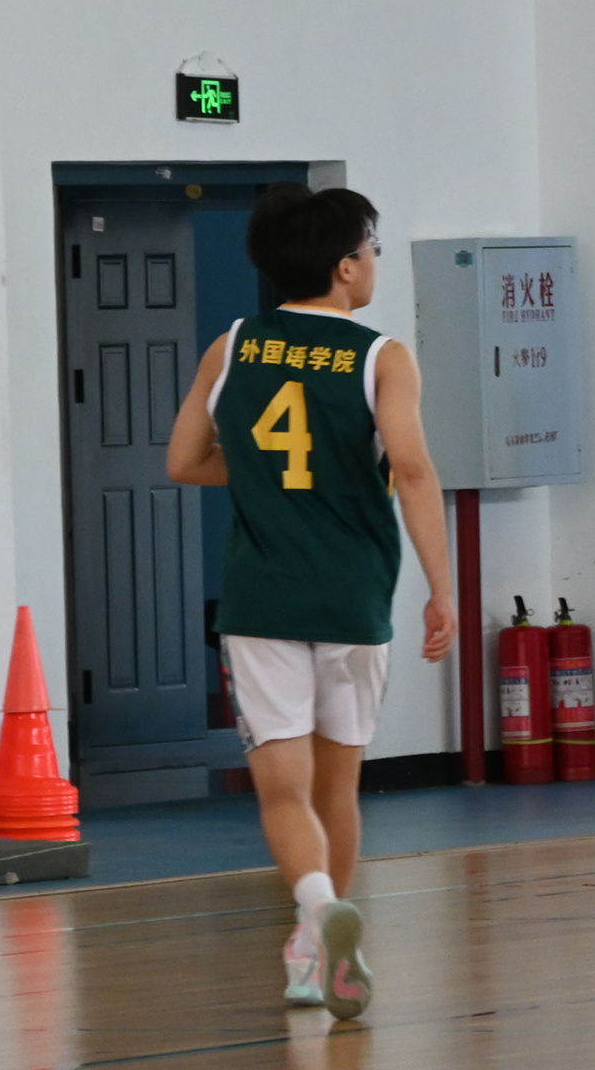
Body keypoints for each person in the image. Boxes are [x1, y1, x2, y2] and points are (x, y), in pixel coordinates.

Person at [166, 185, 454, 1021]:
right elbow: (412, 471)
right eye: (371, 249)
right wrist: (441, 588)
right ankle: (318, 945)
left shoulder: (231, 346)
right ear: (345, 267)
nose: (374, 262)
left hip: (261, 599)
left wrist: (261, 473)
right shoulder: (382, 356)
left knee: (283, 791)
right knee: (339, 785)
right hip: (352, 595)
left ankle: (318, 915)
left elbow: (184, 461)